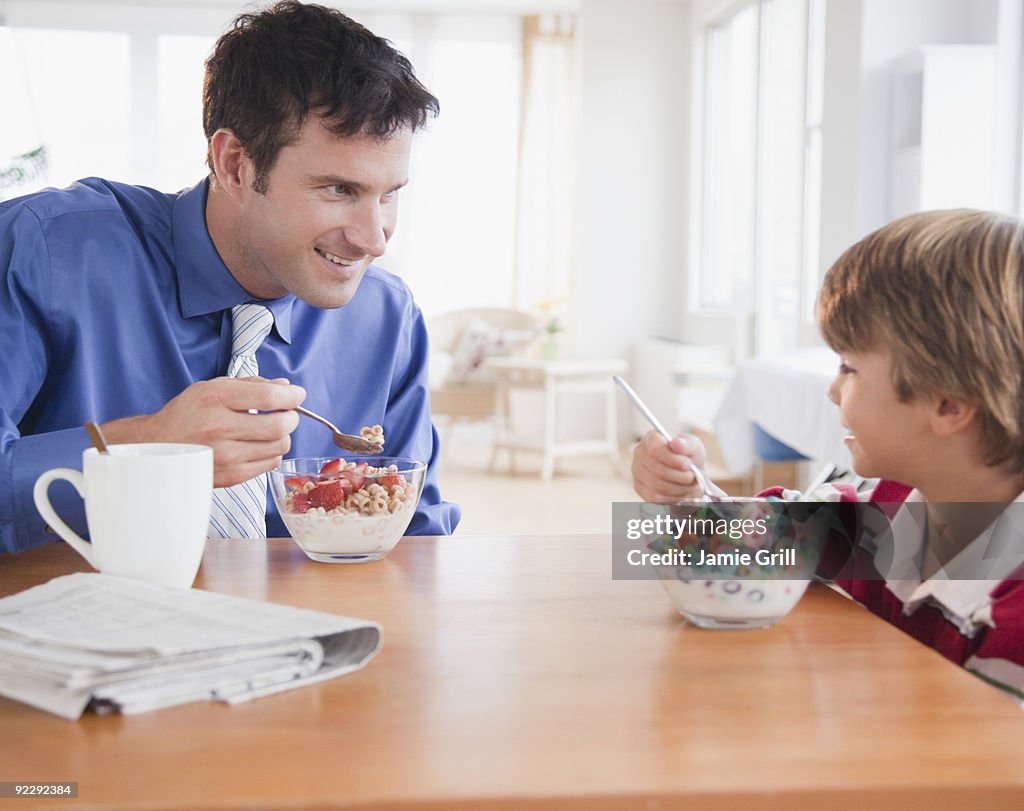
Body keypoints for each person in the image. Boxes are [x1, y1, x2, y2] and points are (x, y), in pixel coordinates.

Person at [0, 1, 460, 553]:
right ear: (235, 164)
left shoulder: (387, 317)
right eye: (339, 189)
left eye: (389, 195)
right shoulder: (45, 251)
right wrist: (143, 449)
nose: (375, 238)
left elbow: (416, 539)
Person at [632, 209, 1024, 702]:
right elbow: (751, 540)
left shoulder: (1012, 616)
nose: (832, 390)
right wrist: (687, 494)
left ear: (948, 404)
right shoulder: (874, 508)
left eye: (849, 367)